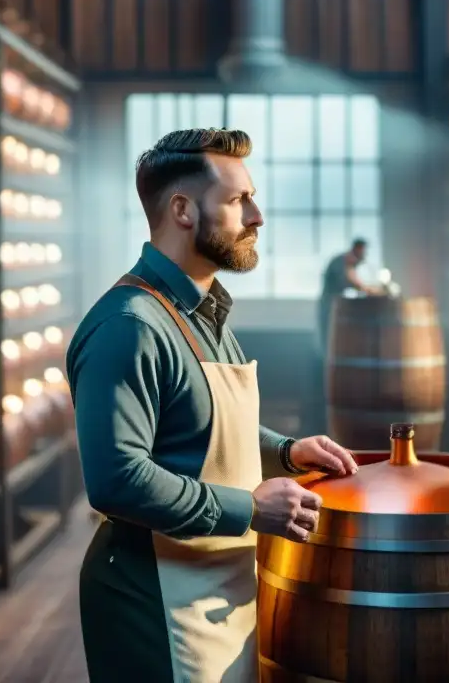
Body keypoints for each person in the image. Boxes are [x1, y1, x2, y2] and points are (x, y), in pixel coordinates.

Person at [66, 128, 359, 683]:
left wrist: (288, 451)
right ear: (182, 210)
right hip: (154, 599)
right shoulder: (128, 326)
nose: (257, 216)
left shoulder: (206, 310)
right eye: (237, 200)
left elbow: (207, 427)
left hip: (214, 586)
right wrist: (250, 508)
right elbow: (116, 480)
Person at [317, 238, 385, 355]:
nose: (362, 258)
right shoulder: (341, 262)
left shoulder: (348, 264)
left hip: (334, 307)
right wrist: (371, 290)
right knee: (329, 344)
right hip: (329, 307)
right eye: (361, 254)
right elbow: (352, 282)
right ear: (356, 250)